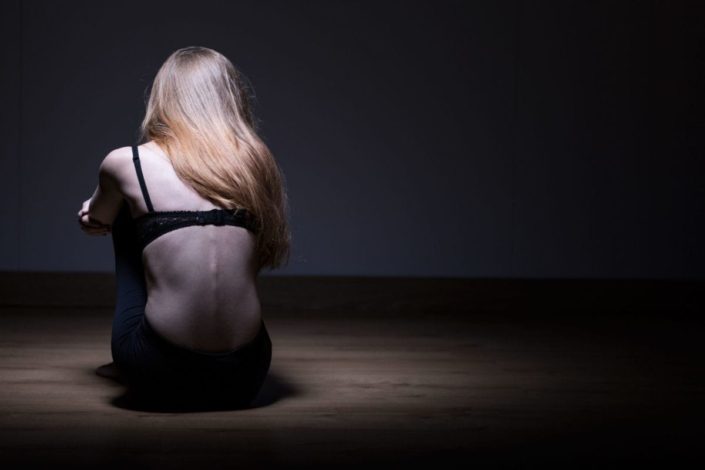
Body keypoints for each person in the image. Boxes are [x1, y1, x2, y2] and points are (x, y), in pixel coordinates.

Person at [76, 46, 291, 408]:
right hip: (246, 374)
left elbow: (94, 218)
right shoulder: (256, 159)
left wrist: (95, 217)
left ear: (164, 98)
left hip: (159, 370)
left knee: (128, 214)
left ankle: (132, 357)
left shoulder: (127, 161)